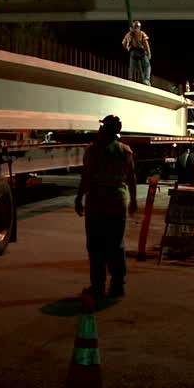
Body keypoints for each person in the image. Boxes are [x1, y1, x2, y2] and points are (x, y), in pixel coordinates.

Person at [75, 115, 139, 299]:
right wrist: (133, 200)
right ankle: (118, 286)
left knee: (96, 247)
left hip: (97, 204)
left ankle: (98, 287)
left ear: (104, 129)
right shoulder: (125, 151)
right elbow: (131, 178)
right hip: (118, 204)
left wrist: (79, 198)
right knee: (116, 246)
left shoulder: (93, 150)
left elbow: (86, 177)